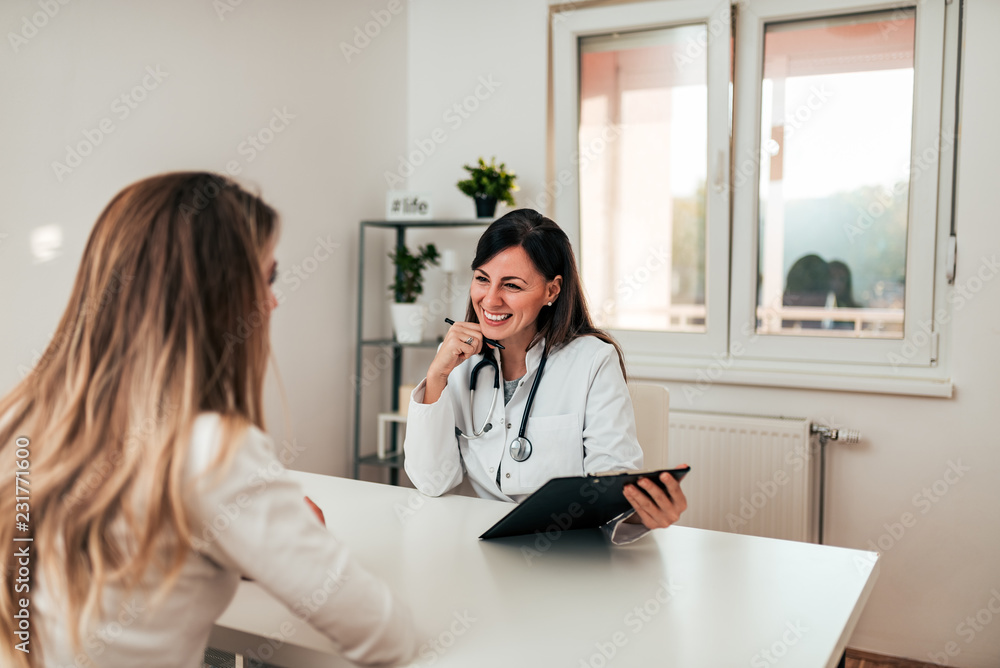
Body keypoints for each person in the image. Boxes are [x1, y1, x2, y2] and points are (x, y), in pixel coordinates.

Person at [0, 173, 416, 668]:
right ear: (216, 295)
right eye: (268, 277)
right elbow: (386, 636)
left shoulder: (20, 415)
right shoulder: (210, 450)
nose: (274, 300)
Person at [403, 209, 687, 545]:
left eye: (512, 285)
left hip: (562, 549)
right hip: (474, 544)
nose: (490, 299)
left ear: (552, 291)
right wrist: (437, 375)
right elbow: (432, 482)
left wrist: (639, 511)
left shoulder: (593, 361)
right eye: (482, 278)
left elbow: (610, 478)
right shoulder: (459, 360)